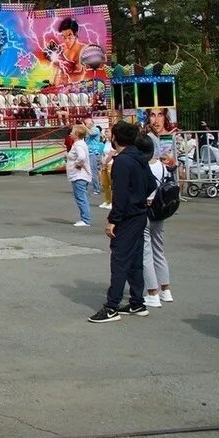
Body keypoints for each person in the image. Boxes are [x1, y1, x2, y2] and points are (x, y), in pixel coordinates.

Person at [89, 121, 152, 323]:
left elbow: (120, 195)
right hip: (140, 213)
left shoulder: (122, 161)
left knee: (120, 260)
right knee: (135, 259)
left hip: (127, 216)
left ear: (115, 137)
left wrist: (113, 220)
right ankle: (136, 301)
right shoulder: (139, 157)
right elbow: (151, 183)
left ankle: (112, 306)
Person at [137, 135, 174, 308]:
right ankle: (165, 289)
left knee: (145, 252)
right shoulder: (163, 166)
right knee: (159, 250)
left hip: (145, 209)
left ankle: (152, 292)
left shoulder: (141, 167)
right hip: (160, 210)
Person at [66, 125, 92, 227]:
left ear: (77, 134)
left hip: (79, 175)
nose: (70, 133)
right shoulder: (79, 144)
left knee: (80, 197)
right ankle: (85, 218)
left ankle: (85, 219)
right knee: (81, 197)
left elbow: (81, 157)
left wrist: (77, 164)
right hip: (80, 175)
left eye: (72, 132)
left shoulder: (78, 145)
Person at [87, 122, 105, 197]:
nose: (85, 124)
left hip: (93, 153)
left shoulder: (95, 129)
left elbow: (91, 133)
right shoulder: (87, 131)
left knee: (94, 172)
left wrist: (84, 127)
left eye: (86, 123)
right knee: (90, 171)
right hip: (88, 153)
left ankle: (97, 189)